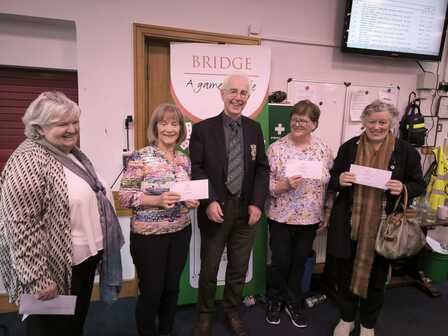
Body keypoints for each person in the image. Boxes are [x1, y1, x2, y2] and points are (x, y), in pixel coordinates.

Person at [0, 91, 124, 336]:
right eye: (62, 124)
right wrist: (37, 279)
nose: (71, 129)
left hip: (82, 261)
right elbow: (20, 225)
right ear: (39, 128)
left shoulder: (69, 153)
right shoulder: (28, 160)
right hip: (52, 271)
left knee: (72, 326)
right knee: (51, 330)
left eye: (74, 122)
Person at [327, 100, 425, 336]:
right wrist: (339, 180)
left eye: (383, 122)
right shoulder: (349, 147)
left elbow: (419, 184)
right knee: (344, 276)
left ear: (391, 123)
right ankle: (346, 318)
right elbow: (332, 176)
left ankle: (368, 324)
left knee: (377, 280)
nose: (377, 127)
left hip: (383, 229)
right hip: (349, 226)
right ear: (364, 122)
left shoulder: (406, 151)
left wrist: (403, 187)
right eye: (372, 122)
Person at [189, 74, 269, 336]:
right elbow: (197, 168)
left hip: (246, 211)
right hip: (216, 210)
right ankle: (205, 315)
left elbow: (261, 169)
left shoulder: (254, 129)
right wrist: (209, 200)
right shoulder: (202, 129)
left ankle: (233, 311)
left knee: (238, 267)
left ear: (248, 97)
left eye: (243, 93)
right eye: (233, 91)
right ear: (221, 94)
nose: (238, 97)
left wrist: (258, 203)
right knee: (210, 268)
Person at [119, 103, 199, 336]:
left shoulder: (184, 160)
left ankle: (165, 331)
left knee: (172, 289)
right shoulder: (140, 157)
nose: (169, 128)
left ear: (180, 129)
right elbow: (124, 197)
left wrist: (190, 200)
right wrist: (157, 200)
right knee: (152, 292)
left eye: (174, 124)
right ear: (155, 127)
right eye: (163, 123)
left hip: (181, 232)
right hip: (149, 237)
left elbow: (185, 192)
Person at [264, 100, 333, 328]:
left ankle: (293, 302)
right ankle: (275, 300)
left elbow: (329, 184)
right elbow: (264, 184)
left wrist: (327, 210)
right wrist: (282, 186)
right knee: (280, 261)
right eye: (295, 119)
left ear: (314, 124)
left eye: (304, 120)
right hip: (281, 216)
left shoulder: (323, 149)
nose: (298, 123)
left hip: (310, 217)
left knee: (299, 262)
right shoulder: (276, 149)